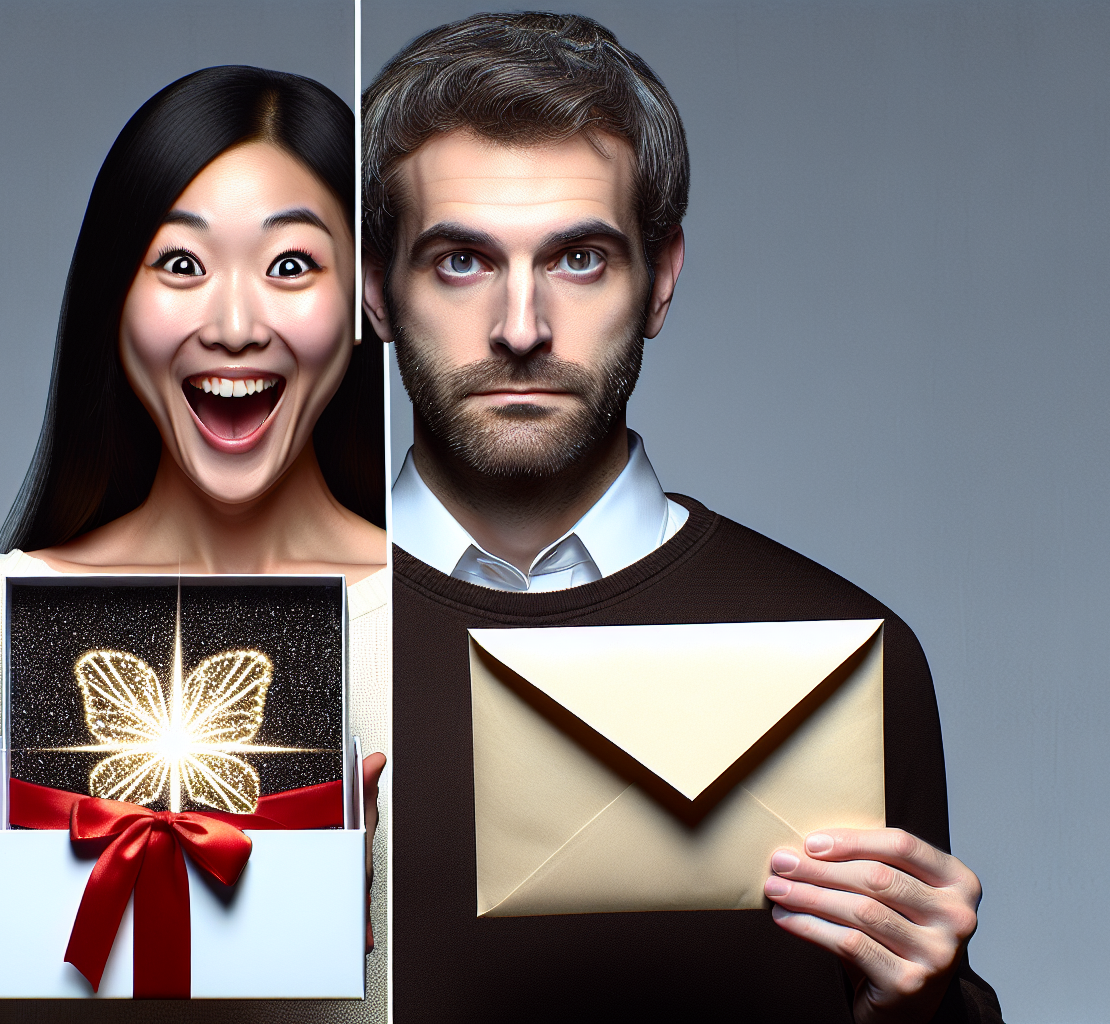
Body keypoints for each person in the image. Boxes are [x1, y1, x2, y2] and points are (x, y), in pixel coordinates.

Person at [362, 14, 1001, 1022]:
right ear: (374, 290)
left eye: (578, 259)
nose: (520, 328)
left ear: (659, 280)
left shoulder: (844, 652)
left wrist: (926, 1008)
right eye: (460, 261)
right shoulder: (261, 640)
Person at [0, 66, 390, 1023]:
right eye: (180, 263)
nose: (235, 323)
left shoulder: (446, 626)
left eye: (292, 265)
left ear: (368, 302)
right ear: (112, 297)